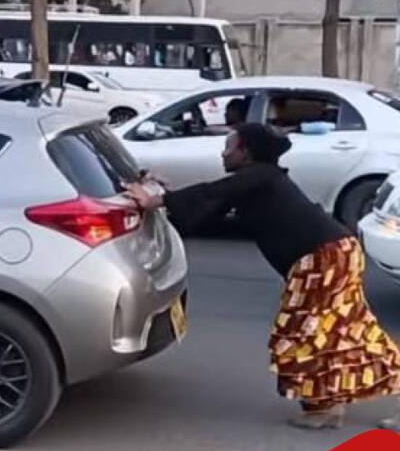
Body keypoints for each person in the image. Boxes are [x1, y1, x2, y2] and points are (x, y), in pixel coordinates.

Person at [125, 123, 400, 430]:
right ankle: (326, 405)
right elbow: (203, 213)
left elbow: (213, 191)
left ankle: (324, 406)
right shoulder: (254, 181)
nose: (223, 153)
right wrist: (160, 194)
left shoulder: (261, 176)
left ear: (245, 152)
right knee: (342, 331)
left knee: (303, 331)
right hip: (333, 255)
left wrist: (159, 200)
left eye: (229, 147)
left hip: (325, 258)